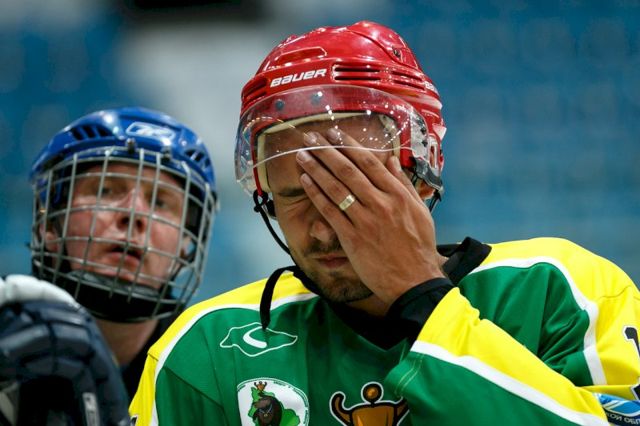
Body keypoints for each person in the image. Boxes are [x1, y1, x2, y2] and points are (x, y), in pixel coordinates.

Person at [130, 22, 640, 425]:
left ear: (423, 172)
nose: (323, 230)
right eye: (295, 197)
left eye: (351, 192)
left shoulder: (563, 290)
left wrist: (421, 296)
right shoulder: (206, 348)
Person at [1, 107, 218, 424]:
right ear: (49, 224)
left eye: (160, 202)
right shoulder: (5, 336)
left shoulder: (209, 369)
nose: (134, 214)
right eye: (105, 190)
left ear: (186, 246)